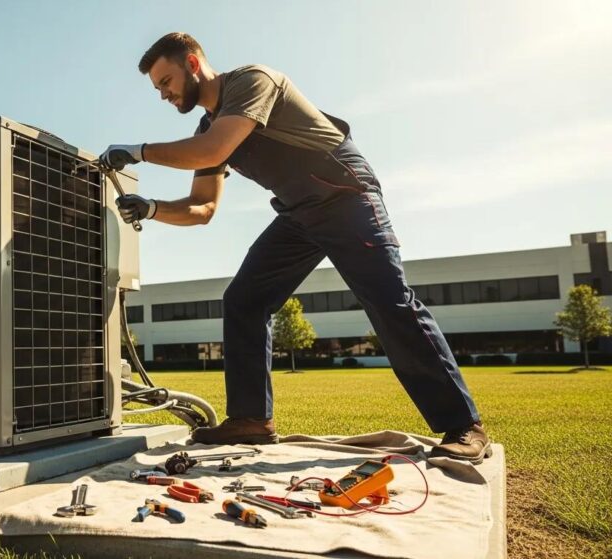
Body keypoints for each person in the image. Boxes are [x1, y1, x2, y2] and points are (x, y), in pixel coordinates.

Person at [100, 32, 491, 464]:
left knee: (389, 302)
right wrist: (152, 207)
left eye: (166, 81)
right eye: (158, 88)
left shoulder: (252, 81)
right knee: (245, 300)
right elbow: (202, 207)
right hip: (299, 212)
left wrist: (138, 151)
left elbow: (210, 151)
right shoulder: (208, 126)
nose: (163, 94)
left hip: (345, 196)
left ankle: (464, 426)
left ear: (193, 64)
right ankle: (251, 419)